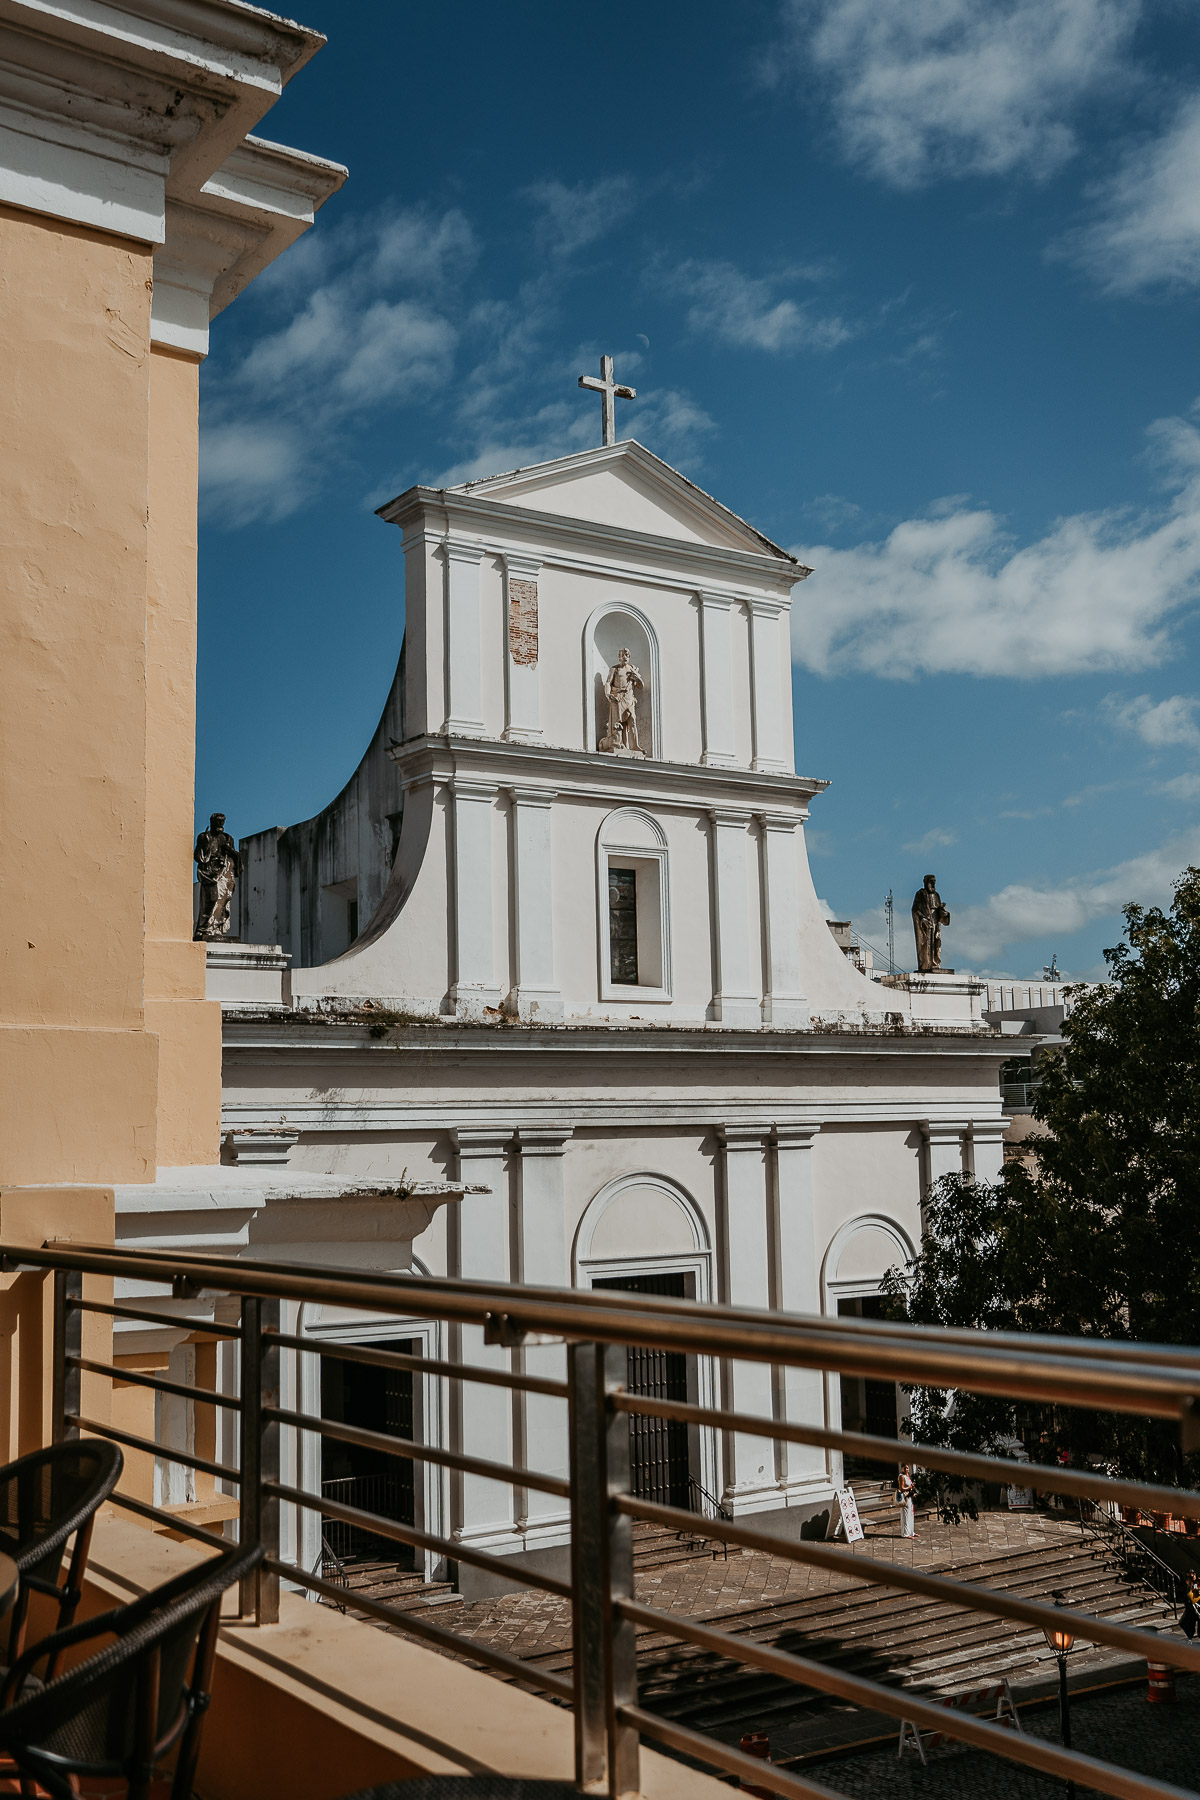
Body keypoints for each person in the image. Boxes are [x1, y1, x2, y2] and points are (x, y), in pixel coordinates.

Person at [193, 811, 238, 940]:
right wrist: (205, 851)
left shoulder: (228, 838)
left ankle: (218, 928)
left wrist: (230, 851)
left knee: (223, 900)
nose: (220, 824)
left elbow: (235, 857)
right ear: (211, 822)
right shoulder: (204, 837)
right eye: (217, 822)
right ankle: (203, 929)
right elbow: (197, 856)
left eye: (222, 822)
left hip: (223, 872)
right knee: (210, 900)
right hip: (208, 872)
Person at [898, 1463, 916, 1539]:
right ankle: (905, 1533)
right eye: (905, 1468)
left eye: (907, 1468)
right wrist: (909, 1487)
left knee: (910, 1514)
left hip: (910, 1497)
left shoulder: (908, 1476)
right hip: (905, 1497)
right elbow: (901, 1488)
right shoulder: (901, 1476)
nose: (906, 1470)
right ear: (902, 1469)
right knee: (905, 1515)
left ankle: (911, 1532)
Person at [1181, 1570, 1199, 1640]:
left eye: (1192, 1575)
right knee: (1184, 1623)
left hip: (1197, 1608)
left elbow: (1195, 1598)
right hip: (1190, 1609)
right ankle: (1190, 1637)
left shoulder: (1197, 1584)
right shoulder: (1187, 1585)